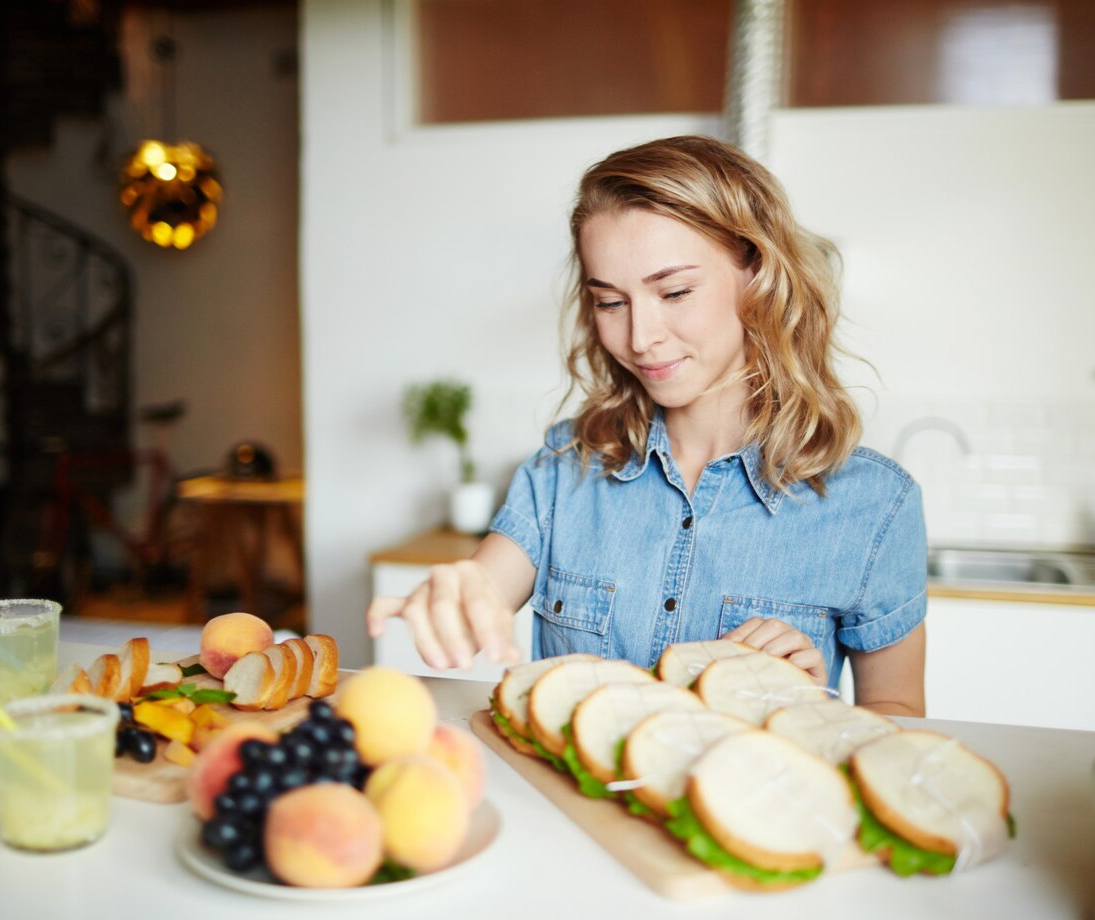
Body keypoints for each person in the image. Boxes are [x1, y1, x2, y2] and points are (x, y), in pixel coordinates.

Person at [367, 135, 926, 717]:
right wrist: (456, 595)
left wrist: (814, 708)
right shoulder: (566, 466)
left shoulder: (876, 505)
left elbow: (897, 712)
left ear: (756, 274)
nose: (640, 338)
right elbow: (482, 589)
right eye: (611, 302)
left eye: (675, 291)